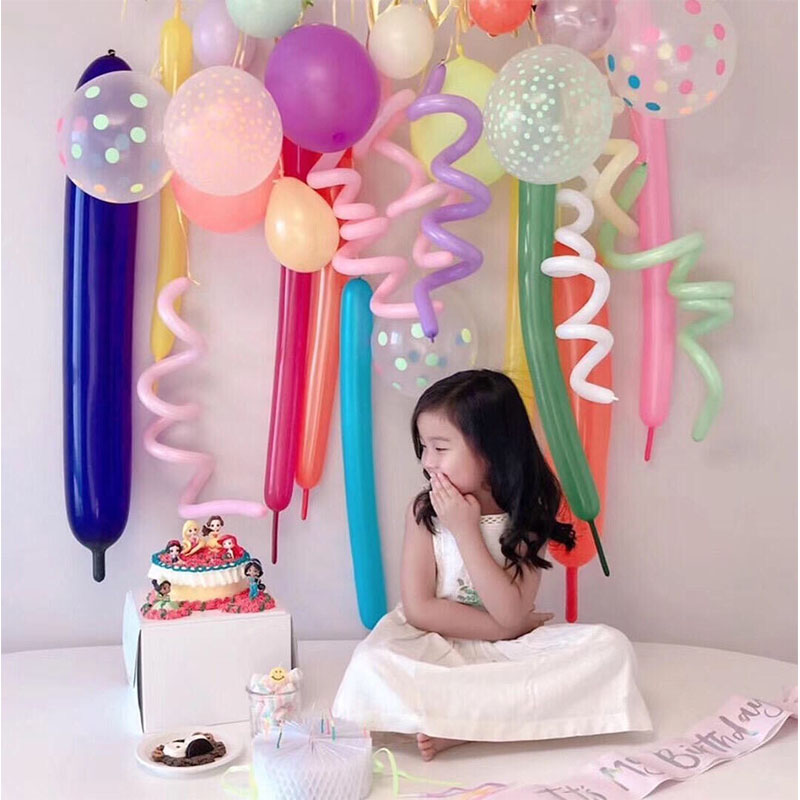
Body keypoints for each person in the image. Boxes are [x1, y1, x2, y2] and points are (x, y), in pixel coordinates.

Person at [332, 370, 651, 761]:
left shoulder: (526, 514)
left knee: (611, 649)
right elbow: (420, 610)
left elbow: (510, 610)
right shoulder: (423, 512)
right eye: (423, 447)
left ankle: (460, 724)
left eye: (440, 448)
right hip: (436, 643)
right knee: (372, 663)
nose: (428, 461)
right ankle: (477, 717)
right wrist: (506, 628)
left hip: (509, 651)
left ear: (490, 450)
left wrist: (466, 532)